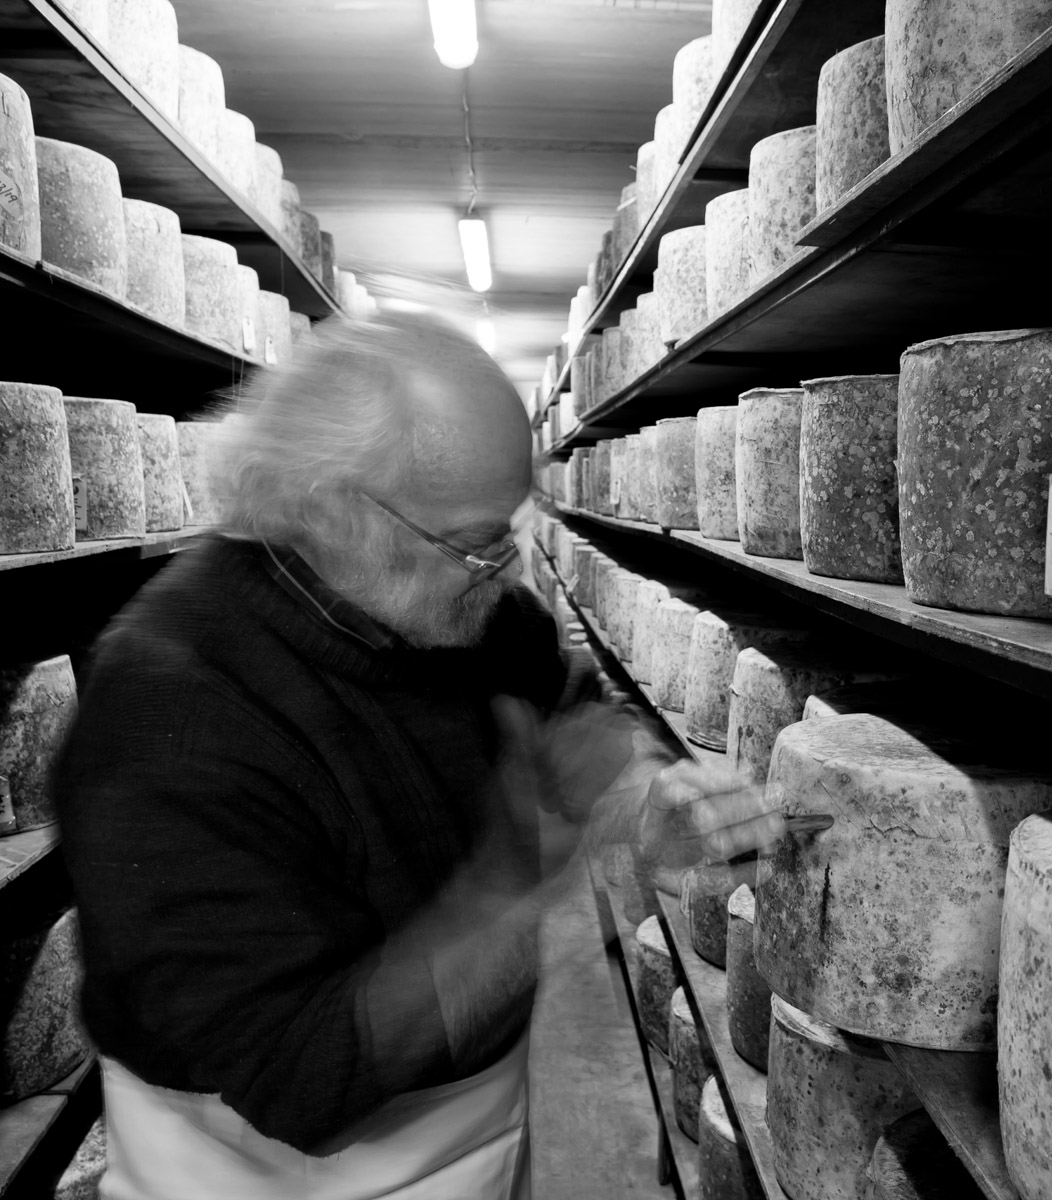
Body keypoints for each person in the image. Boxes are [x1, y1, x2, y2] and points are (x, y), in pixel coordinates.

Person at [54, 311, 785, 1199]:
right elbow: (299, 1077)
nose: (506, 567)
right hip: (257, 1168)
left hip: (473, 1114)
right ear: (328, 507)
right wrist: (520, 890)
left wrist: (646, 803)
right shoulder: (171, 700)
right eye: (475, 541)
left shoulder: (475, 611)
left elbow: (572, 725)